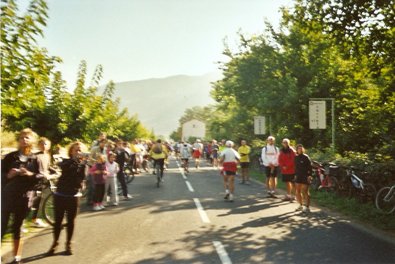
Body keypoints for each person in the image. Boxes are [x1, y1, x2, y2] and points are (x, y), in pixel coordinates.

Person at [1, 128, 39, 264]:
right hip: (7, 196)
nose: (24, 140)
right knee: (2, 226)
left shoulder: (35, 159)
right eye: (21, 137)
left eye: (27, 137)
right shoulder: (10, 157)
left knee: (17, 226)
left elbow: (41, 177)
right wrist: (8, 175)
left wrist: (30, 174)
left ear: (32, 140)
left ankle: (17, 257)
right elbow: (2, 175)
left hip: (24, 198)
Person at [47, 141, 87, 256]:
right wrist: (75, 160)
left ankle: (69, 243)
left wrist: (82, 163)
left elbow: (82, 177)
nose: (78, 152)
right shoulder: (66, 161)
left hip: (73, 196)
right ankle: (55, 243)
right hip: (60, 194)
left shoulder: (83, 164)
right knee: (58, 221)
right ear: (71, 151)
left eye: (80, 150)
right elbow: (65, 168)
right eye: (76, 150)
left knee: (71, 221)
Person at [30, 137, 53, 228]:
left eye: (45, 144)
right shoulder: (35, 156)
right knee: (34, 201)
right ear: (38, 145)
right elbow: (33, 169)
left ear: (49, 146)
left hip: (44, 180)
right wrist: (40, 174)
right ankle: (32, 219)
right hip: (36, 181)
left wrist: (56, 170)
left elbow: (48, 167)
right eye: (42, 144)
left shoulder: (47, 155)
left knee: (41, 199)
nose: (44, 146)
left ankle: (36, 219)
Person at [294, 144, 313, 213]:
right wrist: (295, 175)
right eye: (298, 149)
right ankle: (300, 205)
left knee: (305, 191)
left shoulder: (306, 157)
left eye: (301, 148)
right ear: (297, 150)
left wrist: (309, 175)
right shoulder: (296, 157)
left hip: (305, 176)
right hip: (298, 176)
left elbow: (310, 167)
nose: (300, 149)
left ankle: (307, 207)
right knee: (297, 191)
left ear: (303, 149)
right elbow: (295, 168)